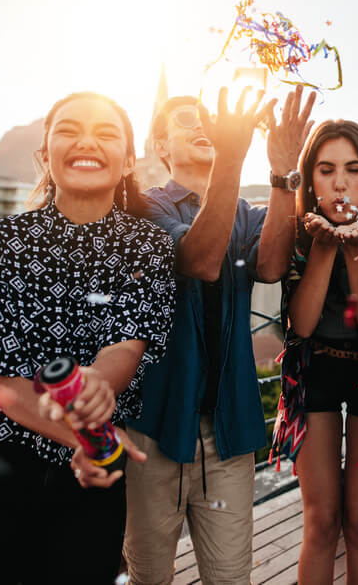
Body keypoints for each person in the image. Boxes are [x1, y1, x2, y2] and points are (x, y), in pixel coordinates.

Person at [0, 91, 176, 584]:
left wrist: (96, 385)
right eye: (68, 129)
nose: (87, 141)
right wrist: (87, 434)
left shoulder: (149, 246)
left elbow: (126, 345)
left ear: (128, 159)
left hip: (86, 492)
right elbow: (2, 386)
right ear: (45, 153)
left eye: (106, 133)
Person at [121, 85, 313, 584]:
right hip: (155, 430)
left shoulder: (247, 214)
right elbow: (201, 260)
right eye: (185, 120)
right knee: (150, 576)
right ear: (160, 148)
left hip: (227, 430)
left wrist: (279, 171)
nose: (202, 124)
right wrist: (232, 158)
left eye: (207, 117)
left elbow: (270, 267)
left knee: (231, 577)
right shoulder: (142, 208)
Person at [270, 120, 358, 584]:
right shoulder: (297, 226)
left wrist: (356, 241)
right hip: (313, 369)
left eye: (353, 169)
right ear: (310, 177)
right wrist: (326, 244)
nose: (340, 182)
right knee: (323, 519)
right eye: (326, 170)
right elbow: (303, 324)